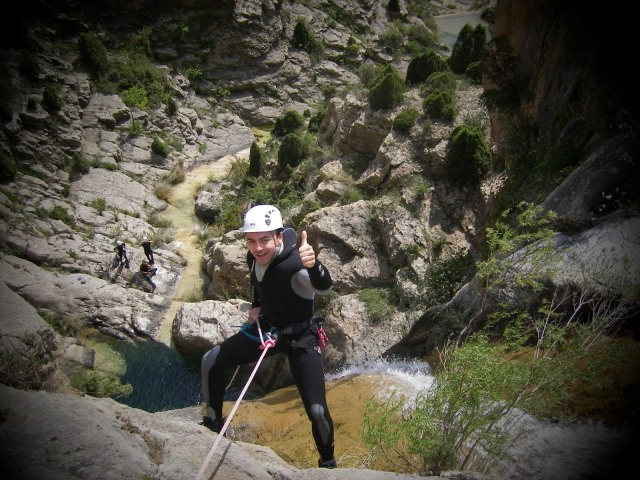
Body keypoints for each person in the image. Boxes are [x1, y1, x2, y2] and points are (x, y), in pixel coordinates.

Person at [200, 204, 337, 468]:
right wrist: (256, 305)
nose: (258, 247)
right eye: (251, 241)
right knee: (210, 361)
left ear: (278, 236)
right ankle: (213, 425)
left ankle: (328, 466)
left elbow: (325, 287)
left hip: (301, 338)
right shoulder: (254, 257)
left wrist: (314, 265)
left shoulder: (296, 265)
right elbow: (258, 283)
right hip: (269, 329)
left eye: (264, 240)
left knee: (318, 412)